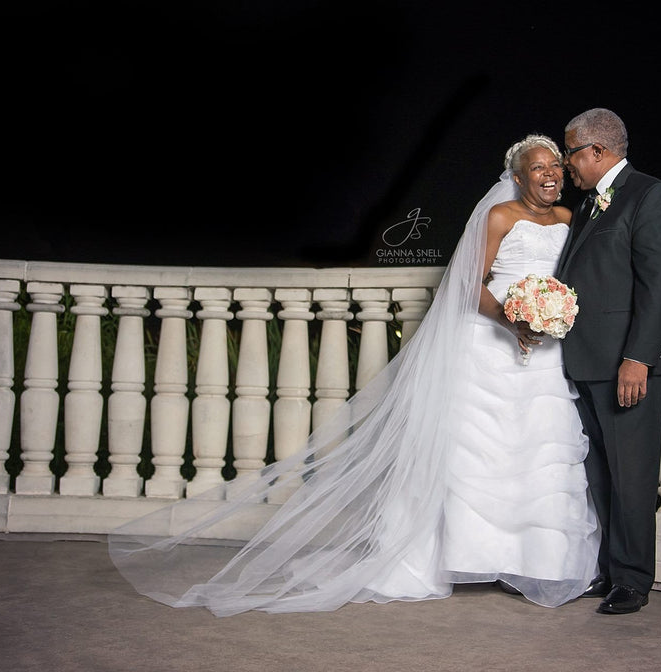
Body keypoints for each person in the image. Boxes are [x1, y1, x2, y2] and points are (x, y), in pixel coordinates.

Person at [109, 134, 600, 617]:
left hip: (542, 351)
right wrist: (511, 320)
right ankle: (465, 556)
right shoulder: (498, 217)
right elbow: (467, 283)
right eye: (539, 168)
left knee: (538, 446)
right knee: (476, 450)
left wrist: (550, 314)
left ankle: (531, 560)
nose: (551, 175)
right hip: (492, 341)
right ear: (517, 178)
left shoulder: (567, 219)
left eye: (555, 165)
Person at [555, 108, 661, 615]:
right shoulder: (589, 204)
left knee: (632, 473)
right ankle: (611, 571)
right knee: (601, 474)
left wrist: (637, 359)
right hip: (586, 360)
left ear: (596, 151)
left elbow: (658, 287)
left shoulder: (651, 195)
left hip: (626, 364)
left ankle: (633, 580)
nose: (567, 163)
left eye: (570, 152)